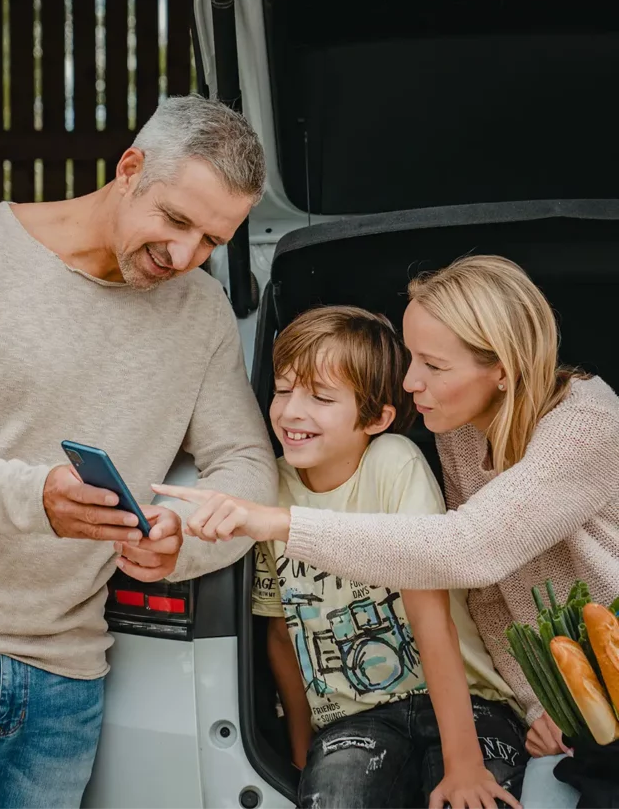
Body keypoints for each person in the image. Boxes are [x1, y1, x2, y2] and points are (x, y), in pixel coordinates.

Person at [0, 94, 278, 809]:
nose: (185, 256)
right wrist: (33, 495)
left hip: (65, 677)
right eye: (175, 221)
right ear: (129, 168)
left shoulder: (200, 314)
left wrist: (184, 541)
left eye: (212, 241)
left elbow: (250, 472)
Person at [155, 255, 619, 809]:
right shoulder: (462, 429)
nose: (409, 381)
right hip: (582, 703)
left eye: (433, 365)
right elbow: (493, 604)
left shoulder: (585, 422)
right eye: (411, 356)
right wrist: (543, 707)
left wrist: (278, 521)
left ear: (503, 368)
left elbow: (465, 552)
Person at [252, 306, 525, 808]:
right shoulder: (268, 487)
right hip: (353, 719)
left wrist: (465, 763)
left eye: (321, 397)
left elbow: (430, 613)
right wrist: (298, 752)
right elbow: (280, 633)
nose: (291, 412)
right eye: (283, 388)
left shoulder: (393, 461)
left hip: (468, 703)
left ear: (376, 418)